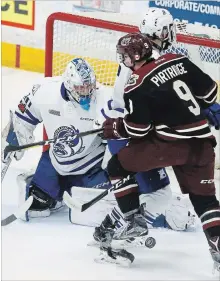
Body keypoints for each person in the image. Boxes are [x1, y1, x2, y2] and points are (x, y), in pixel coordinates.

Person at [100, 32, 220, 268]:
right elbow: (209, 93)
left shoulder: (136, 83)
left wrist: (116, 127)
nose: (123, 61)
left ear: (135, 56)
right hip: (203, 145)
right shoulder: (178, 59)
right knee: (205, 200)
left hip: (169, 146)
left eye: (125, 56)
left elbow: (139, 129)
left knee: (116, 166)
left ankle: (133, 220)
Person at [93, 7, 194, 240]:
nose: (171, 33)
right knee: (159, 196)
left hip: (120, 131)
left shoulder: (133, 51)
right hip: (133, 135)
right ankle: (118, 234)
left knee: (147, 194)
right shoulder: (157, 61)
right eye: (168, 30)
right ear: (161, 32)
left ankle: (109, 231)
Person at [2, 58, 111, 220]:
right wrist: (15, 140)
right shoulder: (45, 91)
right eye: (80, 88)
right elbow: (21, 120)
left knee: (99, 208)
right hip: (56, 160)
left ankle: (67, 189)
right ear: (68, 85)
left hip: (91, 165)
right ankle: (54, 190)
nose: (86, 92)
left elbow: (120, 136)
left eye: (89, 87)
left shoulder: (104, 99)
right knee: (38, 205)